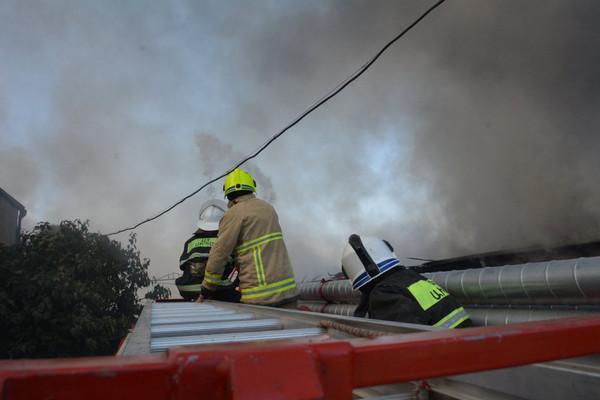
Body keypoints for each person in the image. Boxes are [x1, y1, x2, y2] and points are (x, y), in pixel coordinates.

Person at [198, 168, 299, 308]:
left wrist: (207, 288)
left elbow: (220, 253)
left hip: (260, 297)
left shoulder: (233, 214)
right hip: (289, 292)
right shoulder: (268, 208)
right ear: (252, 187)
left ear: (228, 194)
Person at [341, 234, 473, 328]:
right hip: (467, 345)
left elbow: (404, 345)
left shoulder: (383, 293)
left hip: (448, 354)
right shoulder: (411, 277)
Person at [175, 199, 241, 302]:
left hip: (187, 289)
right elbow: (233, 265)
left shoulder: (190, 242)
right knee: (241, 299)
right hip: (217, 289)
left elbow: (183, 265)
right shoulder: (224, 241)